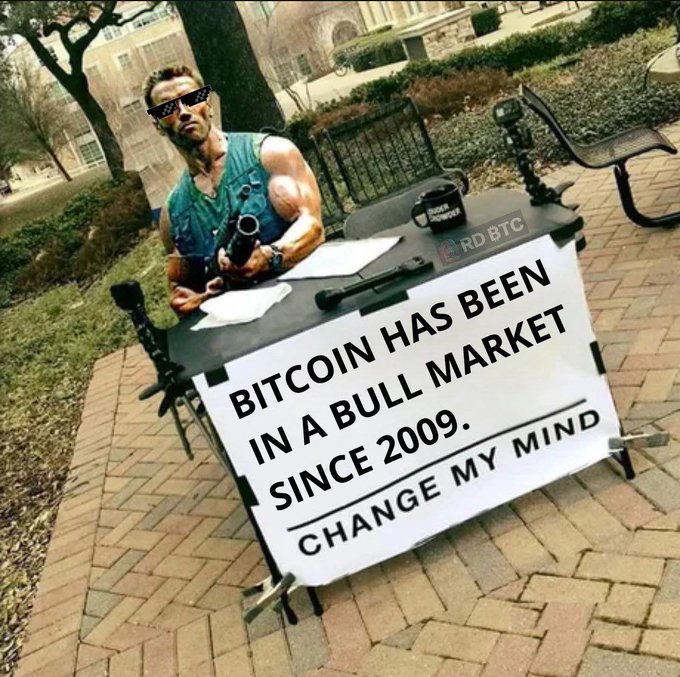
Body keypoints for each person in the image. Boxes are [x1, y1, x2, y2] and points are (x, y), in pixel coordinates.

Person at [143, 64, 324, 315]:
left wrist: (269, 256)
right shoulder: (173, 214)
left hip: (308, 305)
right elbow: (180, 287)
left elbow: (313, 227)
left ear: (208, 103)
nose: (183, 112)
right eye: (167, 108)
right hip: (239, 328)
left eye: (191, 99)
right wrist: (192, 298)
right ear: (157, 124)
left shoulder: (271, 154)